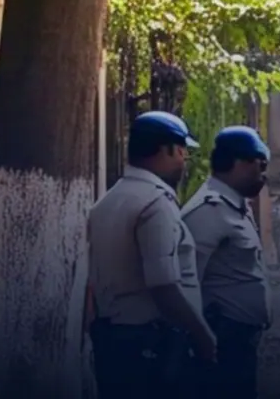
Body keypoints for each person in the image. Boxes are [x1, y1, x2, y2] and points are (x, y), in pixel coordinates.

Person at [87, 111, 218, 399]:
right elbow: (163, 285)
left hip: (114, 340)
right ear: (164, 149)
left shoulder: (108, 201)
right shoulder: (155, 204)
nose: (184, 158)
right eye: (182, 149)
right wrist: (202, 334)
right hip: (151, 345)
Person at [181, 126, 272, 399]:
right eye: (260, 165)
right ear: (238, 163)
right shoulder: (210, 210)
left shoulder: (234, 204)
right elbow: (187, 281)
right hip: (222, 339)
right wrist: (200, 337)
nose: (263, 175)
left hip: (239, 340)